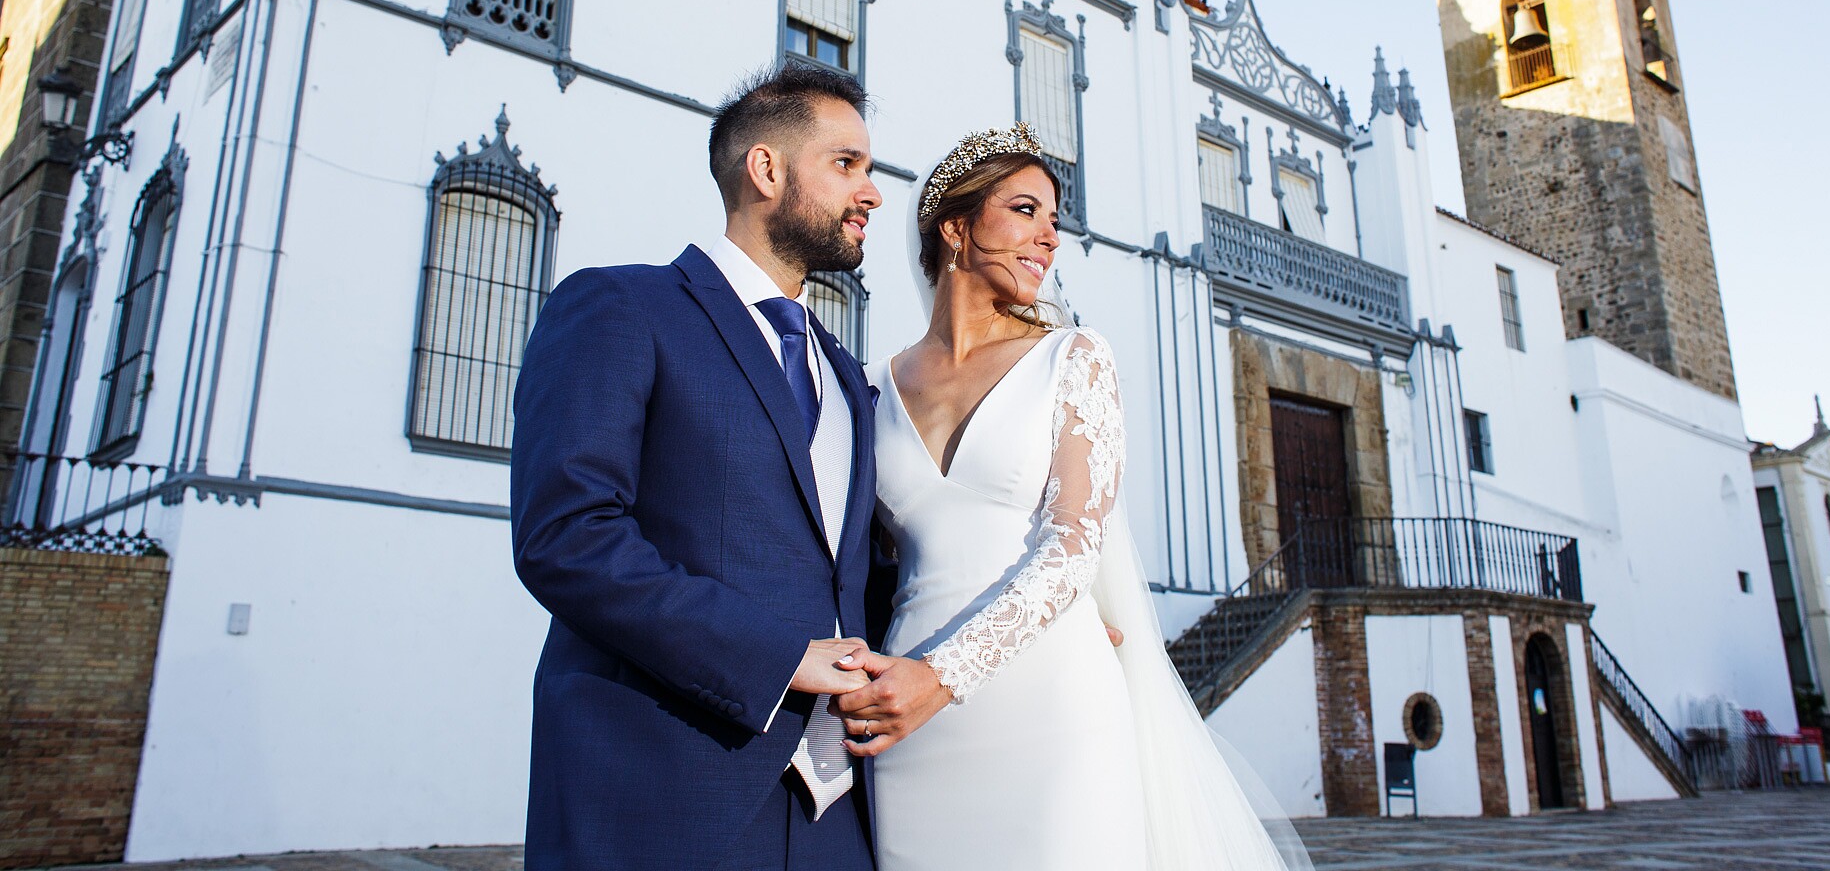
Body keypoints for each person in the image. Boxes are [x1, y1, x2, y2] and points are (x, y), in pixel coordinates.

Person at [833, 124, 1313, 870]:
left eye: (1054, 220)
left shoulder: (1073, 358)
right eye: (1025, 210)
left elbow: (1073, 546)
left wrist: (944, 676)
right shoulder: (869, 386)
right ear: (955, 228)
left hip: (1050, 702)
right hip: (909, 718)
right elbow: (861, 559)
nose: (1049, 237)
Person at [509, 62, 887, 871]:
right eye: (846, 164)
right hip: (662, 793)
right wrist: (779, 659)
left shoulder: (847, 376)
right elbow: (567, 538)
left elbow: (856, 571)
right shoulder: (620, 309)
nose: (873, 193)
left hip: (836, 814)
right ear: (766, 170)